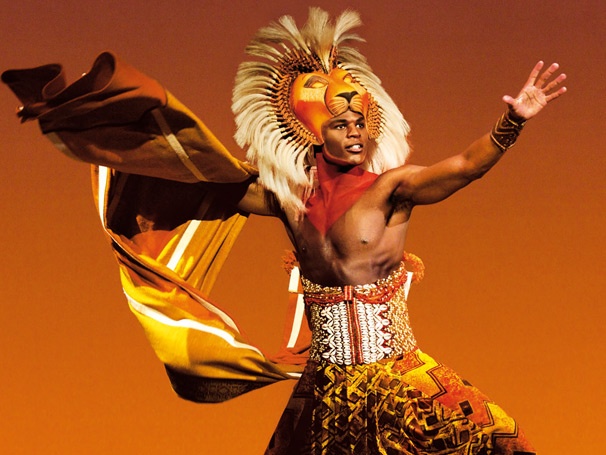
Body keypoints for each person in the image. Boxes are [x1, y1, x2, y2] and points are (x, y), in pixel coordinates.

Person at [3, 8, 565, 455]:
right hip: (324, 391)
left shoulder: (392, 189)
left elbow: (464, 167)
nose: (355, 134)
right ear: (315, 131)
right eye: (341, 124)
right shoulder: (286, 200)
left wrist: (513, 119)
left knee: (499, 445)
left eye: (361, 124)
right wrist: (95, 131)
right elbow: (193, 179)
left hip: (402, 381)